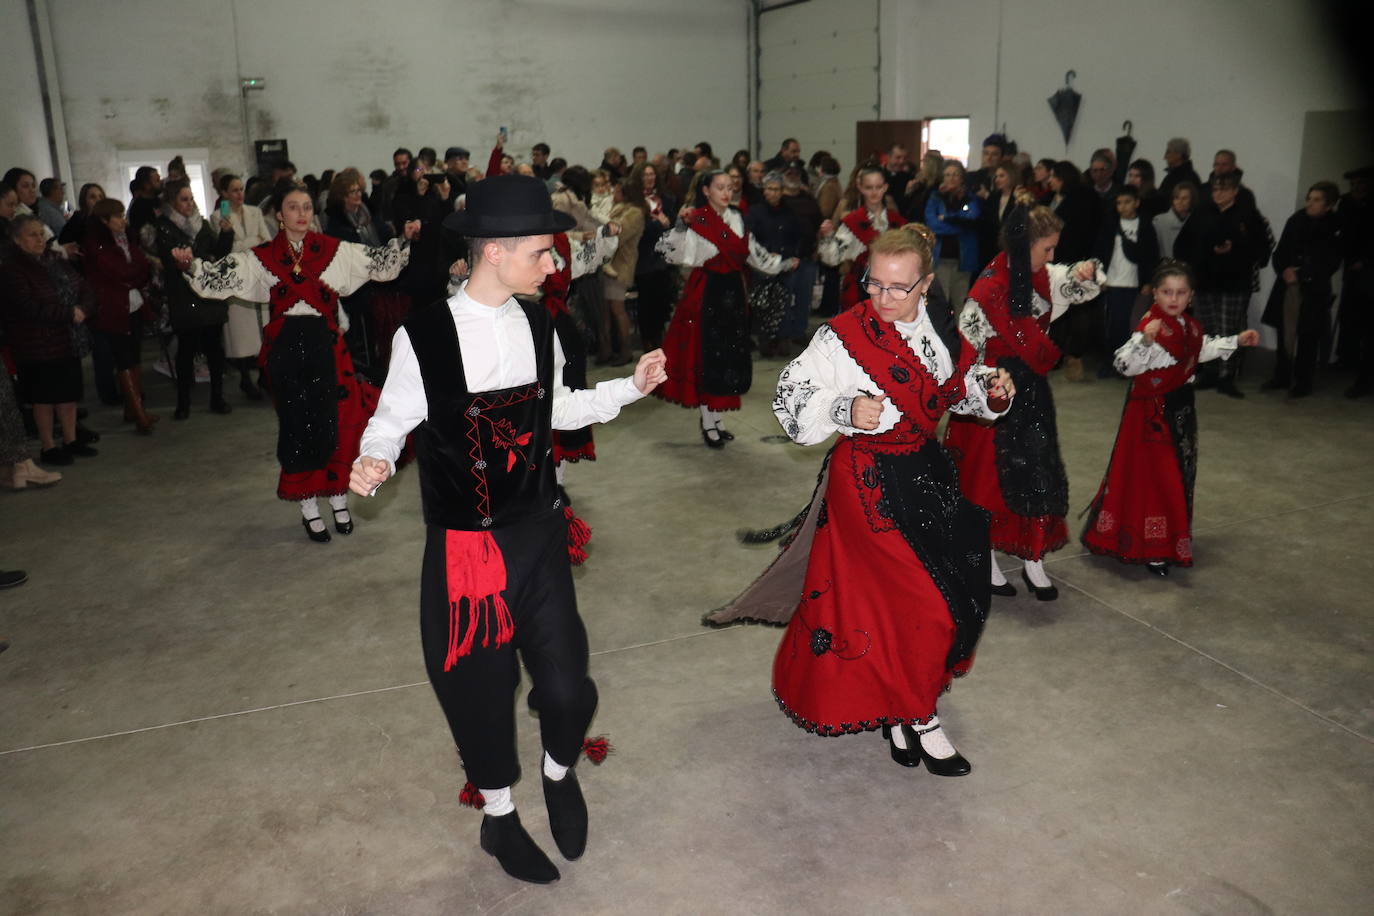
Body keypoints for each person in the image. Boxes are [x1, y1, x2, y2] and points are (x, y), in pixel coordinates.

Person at [349, 174, 668, 885]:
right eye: (542, 254)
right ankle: (498, 815)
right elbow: (393, 417)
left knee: (566, 686)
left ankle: (559, 772)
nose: (553, 265)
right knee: (480, 693)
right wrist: (373, 458)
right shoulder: (424, 334)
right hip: (470, 554)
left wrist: (630, 388)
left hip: (540, 534)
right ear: (495, 252)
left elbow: (557, 411)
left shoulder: (539, 324)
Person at [709, 228, 1014, 773]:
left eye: (899, 287)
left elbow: (960, 389)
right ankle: (922, 718)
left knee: (923, 603)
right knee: (927, 603)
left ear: (926, 284)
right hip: (867, 484)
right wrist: (844, 410)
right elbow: (790, 395)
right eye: (874, 283)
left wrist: (990, 393)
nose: (882, 298)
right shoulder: (843, 337)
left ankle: (898, 710)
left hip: (926, 475)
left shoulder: (946, 330)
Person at [174, 185, 418, 541]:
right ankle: (308, 508)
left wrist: (404, 237)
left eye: (306, 206)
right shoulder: (261, 257)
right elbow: (219, 276)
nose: (301, 213)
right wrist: (189, 265)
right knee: (297, 428)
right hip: (286, 352)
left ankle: (338, 500)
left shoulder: (335, 252)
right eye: (293, 207)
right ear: (279, 214)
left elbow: (380, 263)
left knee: (337, 423)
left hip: (329, 350)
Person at [944, 204, 1104, 599]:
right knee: (989, 481)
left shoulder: (1046, 278)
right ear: (1022, 245)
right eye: (1046, 249)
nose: (1052, 257)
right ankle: (986, 556)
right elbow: (968, 350)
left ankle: (1033, 557)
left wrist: (1089, 270)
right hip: (994, 394)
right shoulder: (987, 290)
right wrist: (986, 389)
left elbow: (1080, 283)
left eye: (1054, 250)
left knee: (1037, 473)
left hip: (1032, 391)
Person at [1082, 261, 1259, 575]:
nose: (1173, 299)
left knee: (1178, 476)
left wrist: (1236, 340)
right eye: (1166, 292)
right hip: (1151, 416)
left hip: (1181, 412)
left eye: (1180, 293)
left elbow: (1199, 350)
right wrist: (1145, 342)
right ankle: (1153, 547)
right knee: (1155, 480)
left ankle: (1167, 539)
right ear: (1156, 295)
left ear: (1190, 295)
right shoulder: (1150, 327)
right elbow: (1124, 365)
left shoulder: (1189, 327)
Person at [653, 170, 798, 446]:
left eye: (730, 187)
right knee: (707, 359)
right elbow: (673, 254)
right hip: (706, 294)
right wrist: (681, 227)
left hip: (732, 293)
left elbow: (753, 252)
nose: (726, 192)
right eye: (720, 187)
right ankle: (708, 423)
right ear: (706, 190)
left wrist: (781, 264)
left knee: (726, 360)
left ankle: (717, 420)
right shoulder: (697, 218)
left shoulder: (737, 217)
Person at [0, 215, 97, 467]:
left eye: (41, 233)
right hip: (35, 344)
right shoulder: (12, 268)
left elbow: (83, 287)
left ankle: (70, 439)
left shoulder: (55, 260)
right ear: (17, 240)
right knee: (43, 398)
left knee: (68, 394)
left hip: (67, 338)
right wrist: (69, 313)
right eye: (32, 235)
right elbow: (27, 307)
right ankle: (48, 446)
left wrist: (84, 308)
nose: (40, 239)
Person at [154, 178, 235, 419]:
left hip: (208, 293)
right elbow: (169, 260)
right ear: (171, 202)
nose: (190, 204)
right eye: (184, 199)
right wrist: (190, 260)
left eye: (191, 199)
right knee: (186, 350)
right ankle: (183, 403)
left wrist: (227, 233)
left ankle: (217, 398)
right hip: (183, 293)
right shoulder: (164, 226)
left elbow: (219, 252)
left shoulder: (202, 224)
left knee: (214, 349)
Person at [1188, 172, 1270, 397]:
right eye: (1215, 189)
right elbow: (1186, 244)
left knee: (1228, 330)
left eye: (1224, 189)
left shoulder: (1248, 215)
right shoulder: (1202, 212)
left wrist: (1235, 248)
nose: (1218, 193)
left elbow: (1262, 250)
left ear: (1235, 191)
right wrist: (1205, 252)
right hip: (1204, 280)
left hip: (1234, 282)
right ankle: (1209, 371)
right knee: (1207, 329)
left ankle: (1226, 375)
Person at [1260, 182, 1343, 398]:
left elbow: (1331, 261)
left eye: (1317, 200)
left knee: (1308, 335)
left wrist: (1304, 272)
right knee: (1284, 332)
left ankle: (1303, 381)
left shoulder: (1334, 226)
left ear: (1329, 205)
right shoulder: (1296, 220)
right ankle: (1282, 375)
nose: (1310, 203)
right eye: (1309, 198)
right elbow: (1280, 252)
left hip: (1312, 288)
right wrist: (1284, 270)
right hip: (1287, 284)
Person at [83, 198, 157, 432]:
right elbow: (119, 272)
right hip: (113, 309)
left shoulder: (126, 239)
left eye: (123, 214)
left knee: (134, 357)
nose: (123, 220)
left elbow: (141, 267)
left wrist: (135, 274)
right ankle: (139, 413)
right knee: (124, 359)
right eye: (117, 216)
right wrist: (135, 273)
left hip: (133, 305)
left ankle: (132, 408)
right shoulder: (96, 245)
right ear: (104, 220)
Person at [214, 174, 274, 401]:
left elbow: (267, 243)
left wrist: (249, 244)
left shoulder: (255, 212)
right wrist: (252, 241)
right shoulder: (219, 215)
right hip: (236, 279)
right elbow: (229, 250)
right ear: (225, 194)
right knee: (240, 333)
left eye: (241, 189)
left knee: (262, 329)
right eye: (234, 190)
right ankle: (245, 377)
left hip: (258, 276)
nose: (240, 194)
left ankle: (263, 376)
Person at [818, 166, 907, 312]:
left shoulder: (897, 222)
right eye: (869, 187)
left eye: (878, 187)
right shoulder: (851, 222)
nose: (874, 192)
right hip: (859, 291)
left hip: (893, 291)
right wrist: (828, 237)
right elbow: (832, 259)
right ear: (860, 187)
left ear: (885, 187)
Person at [1094, 185, 1160, 376]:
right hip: (1113, 281)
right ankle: (1111, 362)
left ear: (1137, 202)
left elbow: (1150, 256)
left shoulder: (1145, 226)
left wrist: (1148, 281)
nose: (1122, 207)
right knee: (1113, 325)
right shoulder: (1110, 225)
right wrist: (1100, 276)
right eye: (1119, 203)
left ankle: (1126, 364)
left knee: (1131, 326)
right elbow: (1099, 252)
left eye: (1127, 202)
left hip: (1134, 283)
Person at [745, 172, 803, 356]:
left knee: (784, 301)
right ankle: (765, 340)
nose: (774, 193)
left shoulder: (790, 212)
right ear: (764, 190)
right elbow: (749, 238)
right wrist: (766, 253)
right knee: (763, 304)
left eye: (777, 189)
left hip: (785, 263)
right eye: (770, 189)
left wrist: (793, 256)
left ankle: (782, 338)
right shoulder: (755, 212)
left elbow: (797, 237)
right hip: (762, 265)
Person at [629, 162, 676, 351]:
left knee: (661, 300)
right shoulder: (634, 201)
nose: (649, 178)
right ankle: (648, 338)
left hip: (663, 258)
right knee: (646, 302)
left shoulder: (666, 199)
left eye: (652, 174)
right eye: (645, 175)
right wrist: (659, 225)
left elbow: (673, 226)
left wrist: (666, 224)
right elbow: (639, 230)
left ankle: (658, 336)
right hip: (644, 258)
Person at [925, 160, 982, 307]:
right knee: (941, 301)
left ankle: (959, 331)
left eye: (955, 174)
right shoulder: (935, 198)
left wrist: (948, 218)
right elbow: (934, 225)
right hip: (941, 258)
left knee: (961, 302)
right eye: (948, 175)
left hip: (964, 260)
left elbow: (972, 217)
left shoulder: (970, 198)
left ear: (962, 177)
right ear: (943, 178)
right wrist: (961, 226)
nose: (951, 178)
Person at [1338, 166, 1374, 398]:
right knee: (1349, 315)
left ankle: (1364, 378)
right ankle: (1346, 358)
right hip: (1351, 271)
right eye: (1353, 185)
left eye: (1362, 184)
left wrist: (1366, 261)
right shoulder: (1346, 204)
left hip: (1369, 272)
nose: (1357, 189)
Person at [598, 179, 642, 366]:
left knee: (618, 309)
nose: (613, 194)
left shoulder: (635, 212)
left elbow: (619, 234)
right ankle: (608, 349)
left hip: (620, 265)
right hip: (608, 263)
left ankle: (626, 349)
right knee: (607, 310)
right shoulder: (618, 208)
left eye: (616, 191)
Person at [1153, 181, 1198, 261]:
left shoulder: (1197, 222)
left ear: (1192, 200)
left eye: (1184, 198)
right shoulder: (1159, 222)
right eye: (1176, 198)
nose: (1179, 202)